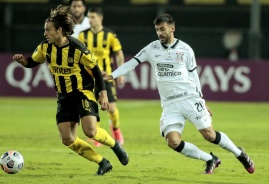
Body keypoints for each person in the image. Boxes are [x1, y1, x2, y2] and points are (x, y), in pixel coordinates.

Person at [103, 14, 255, 174]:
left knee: (209, 135)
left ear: (172, 28)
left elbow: (193, 75)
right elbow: (132, 63)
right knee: (173, 141)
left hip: (189, 98)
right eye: (157, 30)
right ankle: (210, 159)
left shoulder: (186, 49)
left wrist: (201, 100)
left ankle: (240, 154)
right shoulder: (151, 48)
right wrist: (112, 75)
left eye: (162, 29)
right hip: (170, 104)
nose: (159, 33)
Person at [12, 5, 128, 176]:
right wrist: (23, 61)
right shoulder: (45, 47)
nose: (45, 33)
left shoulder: (77, 48)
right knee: (67, 139)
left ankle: (115, 144)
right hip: (63, 97)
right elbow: (33, 62)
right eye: (45, 30)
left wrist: (103, 93)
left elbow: (95, 69)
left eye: (48, 30)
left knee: (90, 131)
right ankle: (102, 162)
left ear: (59, 30)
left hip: (83, 92)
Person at [78, 7, 125, 147]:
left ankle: (116, 129)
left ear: (100, 18)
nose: (90, 20)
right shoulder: (82, 35)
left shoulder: (110, 35)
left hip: (105, 77)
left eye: (93, 17)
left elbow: (119, 54)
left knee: (111, 108)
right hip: (88, 77)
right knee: (91, 106)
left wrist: (120, 72)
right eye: (89, 17)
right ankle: (96, 134)